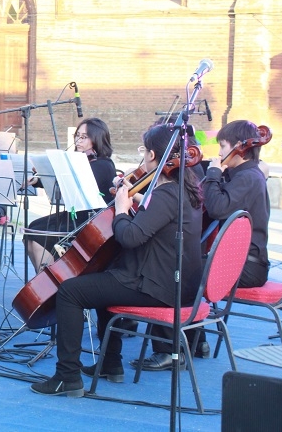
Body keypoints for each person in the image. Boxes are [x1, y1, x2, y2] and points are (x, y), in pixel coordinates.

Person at [30, 123, 203, 397]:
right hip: (175, 283)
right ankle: (111, 364)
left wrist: (122, 209)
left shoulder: (167, 194)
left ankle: (67, 377)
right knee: (104, 277)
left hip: (159, 287)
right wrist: (136, 200)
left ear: (153, 156)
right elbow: (155, 221)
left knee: (70, 291)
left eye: (143, 151)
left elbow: (131, 237)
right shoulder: (182, 190)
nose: (142, 157)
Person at [22, 118, 117, 273]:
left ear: (97, 139)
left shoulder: (103, 165)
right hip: (75, 215)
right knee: (32, 230)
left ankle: (52, 284)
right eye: (77, 135)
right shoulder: (81, 161)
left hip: (91, 221)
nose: (78, 140)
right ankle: (42, 281)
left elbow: (75, 183)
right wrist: (38, 179)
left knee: (41, 238)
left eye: (84, 137)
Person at [202, 120, 270, 288]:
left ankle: (189, 313)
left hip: (247, 267)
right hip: (238, 264)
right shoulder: (243, 175)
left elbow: (217, 209)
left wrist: (213, 174)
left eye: (223, 146)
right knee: (180, 267)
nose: (219, 152)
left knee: (177, 272)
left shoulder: (248, 177)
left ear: (239, 146)